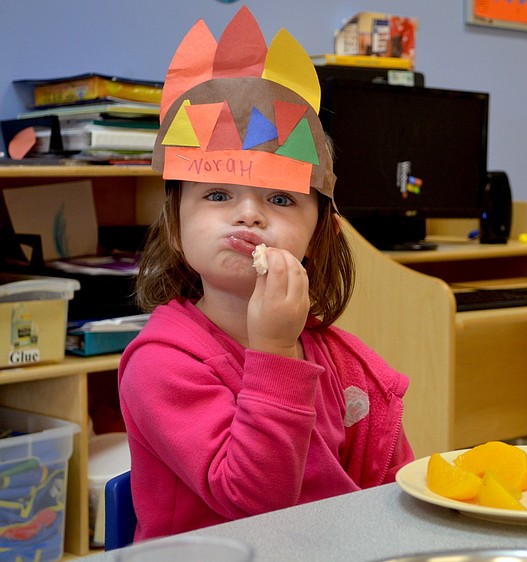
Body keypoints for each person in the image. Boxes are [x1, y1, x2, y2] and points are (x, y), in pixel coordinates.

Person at [118, 7, 414, 541]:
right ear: (175, 219)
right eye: (217, 195)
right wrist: (274, 354)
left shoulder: (347, 364)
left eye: (280, 199)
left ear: (318, 229)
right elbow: (256, 505)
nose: (249, 215)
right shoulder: (160, 365)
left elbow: (392, 498)